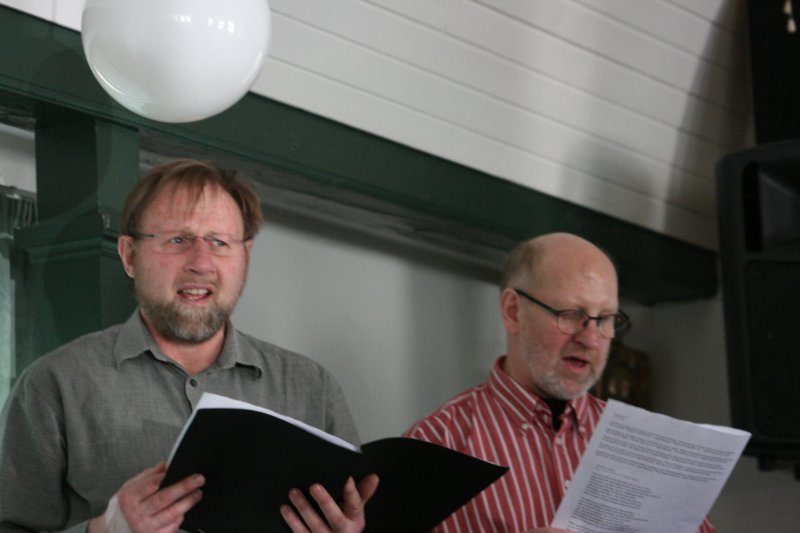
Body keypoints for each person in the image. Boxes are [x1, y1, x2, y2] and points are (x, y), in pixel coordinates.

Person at [0, 159, 379, 533]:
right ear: (129, 256)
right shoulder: (54, 385)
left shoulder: (313, 388)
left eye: (219, 242)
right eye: (178, 240)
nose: (202, 263)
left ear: (245, 257)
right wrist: (105, 530)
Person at [403, 232, 715, 533]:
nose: (591, 339)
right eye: (570, 313)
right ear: (513, 311)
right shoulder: (433, 445)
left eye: (605, 318)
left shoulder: (647, 449)